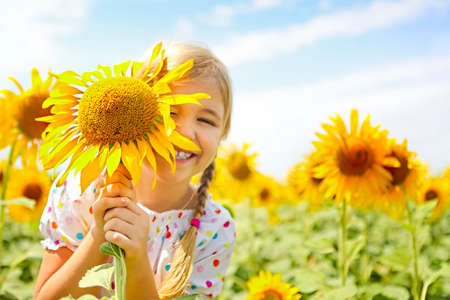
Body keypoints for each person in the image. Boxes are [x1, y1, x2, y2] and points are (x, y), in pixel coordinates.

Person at [34, 42, 235, 300]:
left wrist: (136, 259)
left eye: (206, 120)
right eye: (169, 111)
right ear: (132, 108)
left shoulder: (214, 228)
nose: (183, 132)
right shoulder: (80, 194)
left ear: (223, 134)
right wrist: (98, 236)